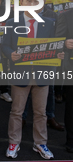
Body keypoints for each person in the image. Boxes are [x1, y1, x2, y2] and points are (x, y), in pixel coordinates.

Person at [2, 0, 64, 160]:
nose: (31, 4)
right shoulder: (12, 23)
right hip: (20, 73)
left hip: (42, 73)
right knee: (16, 111)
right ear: (21, 4)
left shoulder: (50, 23)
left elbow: (57, 46)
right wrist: (10, 54)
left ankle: (40, 143)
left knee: (41, 112)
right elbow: (5, 45)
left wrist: (59, 53)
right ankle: (14, 142)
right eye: (28, 1)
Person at [55, 8, 73, 153]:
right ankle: (71, 140)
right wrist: (64, 44)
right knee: (71, 106)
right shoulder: (66, 16)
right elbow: (56, 40)